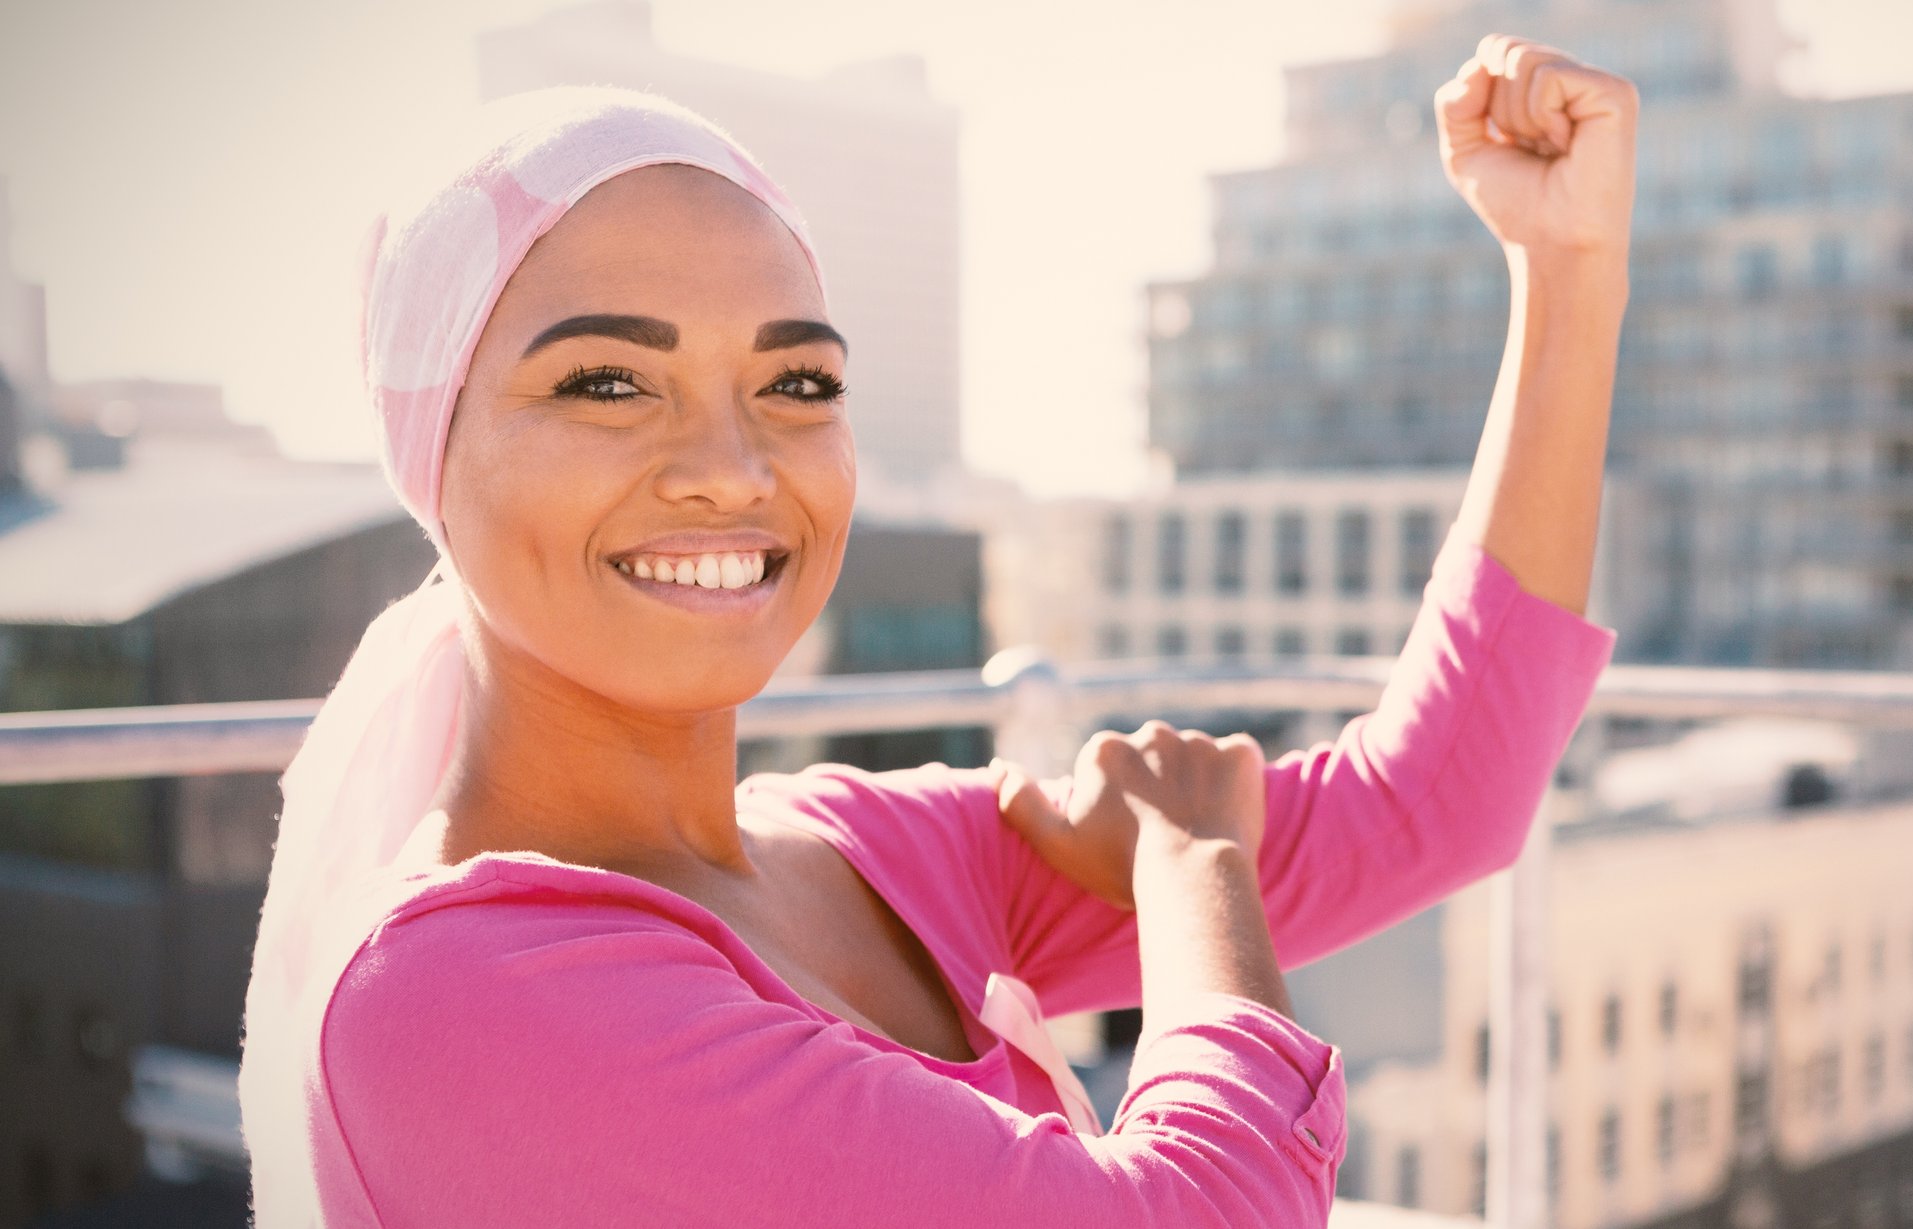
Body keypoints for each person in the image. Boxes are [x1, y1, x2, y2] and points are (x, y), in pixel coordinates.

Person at [238, 31, 1633, 1229]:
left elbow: (1434, 799)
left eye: (797, 381)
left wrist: (1568, 269)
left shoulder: (873, 852)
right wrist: (1195, 862)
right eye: (608, 380)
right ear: (432, 451)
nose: (732, 464)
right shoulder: (456, 996)